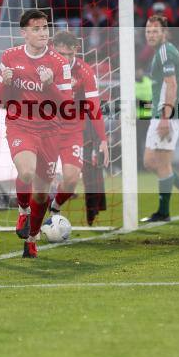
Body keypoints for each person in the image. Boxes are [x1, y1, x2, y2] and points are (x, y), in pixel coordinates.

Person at [0, 10, 73, 258]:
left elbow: (66, 105)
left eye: (45, 28)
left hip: (50, 130)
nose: (43, 33)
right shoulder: (10, 56)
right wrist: (5, 83)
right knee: (26, 172)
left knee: (41, 194)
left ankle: (31, 240)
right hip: (21, 124)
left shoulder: (59, 63)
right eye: (37, 29)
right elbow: (2, 98)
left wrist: (49, 84)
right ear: (24, 33)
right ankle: (22, 211)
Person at [141, 14, 179, 222]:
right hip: (162, 113)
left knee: (159, 162)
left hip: (168, 113)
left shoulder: (166, 52)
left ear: (164, 32)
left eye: (155, 31)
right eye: (148, 31)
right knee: (152, 162)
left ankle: (164, 211)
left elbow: (173, 85)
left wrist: (166, 116)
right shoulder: (161, 51)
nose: (151, 35)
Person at [51, 31, 109, 226]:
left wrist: (104, 140)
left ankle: (55, 209)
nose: (65, 59)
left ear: (76, 50)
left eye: (69, 54)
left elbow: (94, 106)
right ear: (53, 49)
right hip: (45, 129)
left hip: (73, 130)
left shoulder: (85, 72)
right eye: (61, 54)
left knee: (72, 177)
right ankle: (27, 215)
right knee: (36, 178)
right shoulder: (44, 66)